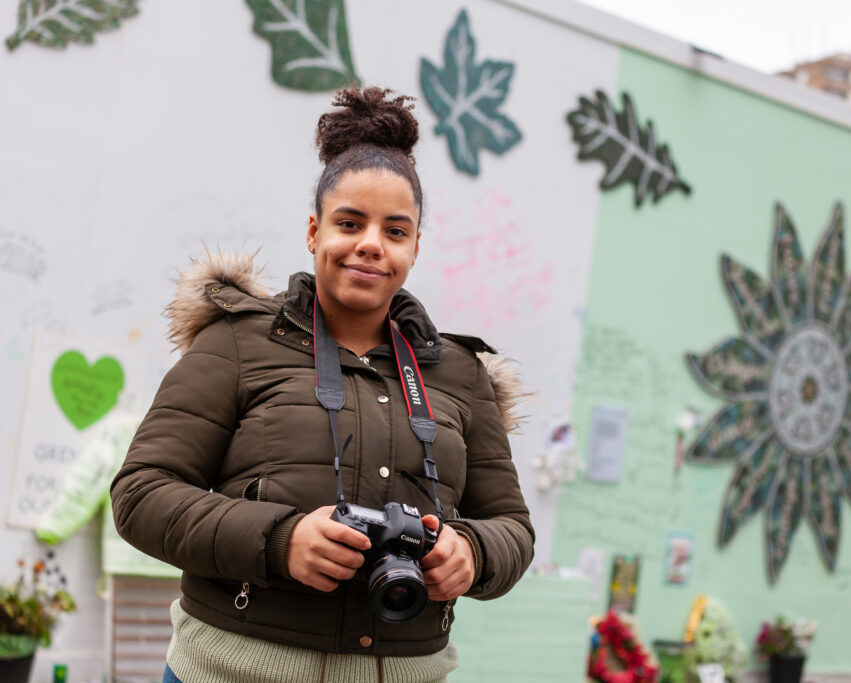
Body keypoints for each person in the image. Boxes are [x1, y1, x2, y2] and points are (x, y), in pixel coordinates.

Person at [110, 86, 534, 683]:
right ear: (314, 233)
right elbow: (141, 494)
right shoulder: (236, 342)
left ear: (414, 247)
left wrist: (473, 552)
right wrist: (280, 541)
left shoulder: (460, 375)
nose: (369, 243)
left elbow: (513, 527)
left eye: (394, 230)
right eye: (349, 222)